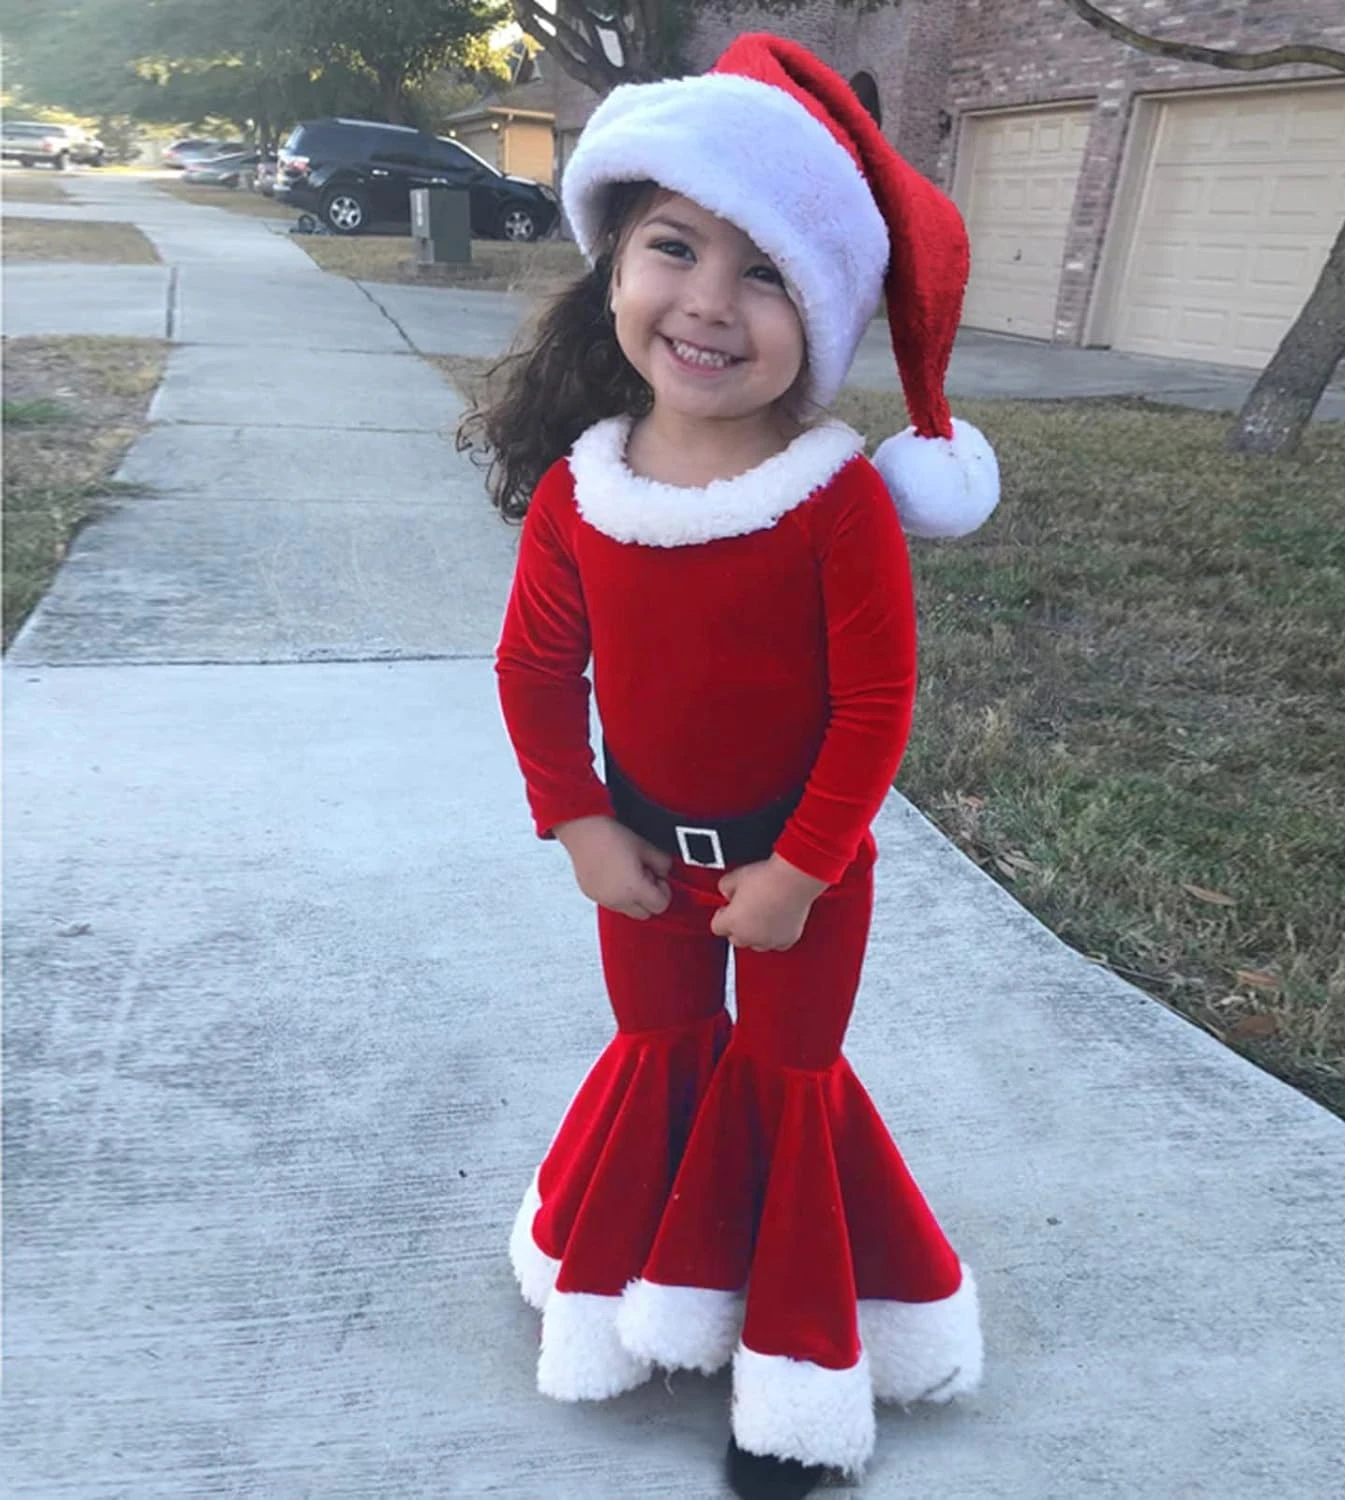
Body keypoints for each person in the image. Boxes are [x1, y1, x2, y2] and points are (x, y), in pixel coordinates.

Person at [468, 32, 1000, 1500]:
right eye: (674, 247)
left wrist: (802, 869)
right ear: (612, 269)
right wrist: (578, 822)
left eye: (764, 272)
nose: (708, 300)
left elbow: (875, 702)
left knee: (784, 1076)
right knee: (660, 1054)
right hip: (641, 860)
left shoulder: (835, 503)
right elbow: (534, 673)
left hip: (800, 875)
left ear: (820, 315)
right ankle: (633, 1288)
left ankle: (797, 1382)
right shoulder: (584, 493)